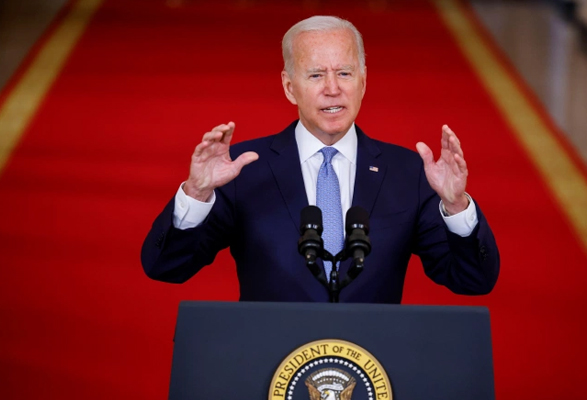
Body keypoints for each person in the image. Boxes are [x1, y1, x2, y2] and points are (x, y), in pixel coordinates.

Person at [141, 16, 499, 303]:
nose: (333, 88)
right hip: (271, 369)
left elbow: (472, 281)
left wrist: (455, 206)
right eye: (316, 75)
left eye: (344, 73)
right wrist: (197, 194)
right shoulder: (243, 169)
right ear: (288, 86)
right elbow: (166, 267)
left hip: (372, 369)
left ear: (363, 80)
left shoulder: (408, 173)